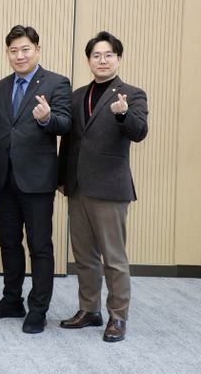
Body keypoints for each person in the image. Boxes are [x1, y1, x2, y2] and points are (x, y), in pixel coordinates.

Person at [0, 25, 72, 334]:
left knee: (39, 245)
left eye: (25, 49)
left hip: (37, 180)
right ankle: (11, 300)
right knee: (8, 242)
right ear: (7, 53)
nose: (19, 55)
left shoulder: (57, 82)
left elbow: (65, 124)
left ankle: (38, 308)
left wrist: (46, 119)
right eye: (13, 51)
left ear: (37, 50)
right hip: (4, 178)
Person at [58, 31, 148, 343]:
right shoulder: (77, 96)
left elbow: (139, 132)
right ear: (88, 60)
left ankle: (118, 316)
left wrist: (123, 115)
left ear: (118, 59)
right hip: (78, 187)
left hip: (110, 187)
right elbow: (69, 141)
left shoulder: (132, 94)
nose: (102, 60)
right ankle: (89, 310)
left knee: (114, 258)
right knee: (84, 256)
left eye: (109, 55)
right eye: (96, 55)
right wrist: (62, 178)